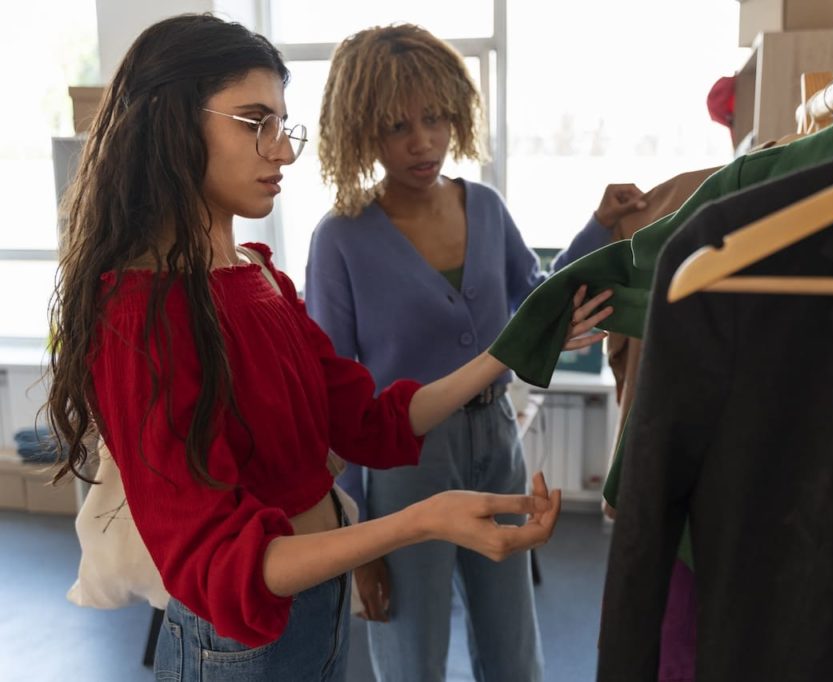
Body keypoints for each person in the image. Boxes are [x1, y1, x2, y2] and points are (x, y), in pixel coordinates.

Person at [45, 14, 612, 682]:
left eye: (283, 125)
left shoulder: (259, 276)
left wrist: (504, 353)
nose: (283, 152)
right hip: (242, 645)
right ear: (171, 125)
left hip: (318, 605)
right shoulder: (140, 315)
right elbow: (220, 562)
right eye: (255, 122)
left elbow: (368, 421)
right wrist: (418, 521)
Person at [307, 23, 647, 682]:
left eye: (434, 118)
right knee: (413, 655)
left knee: (513, 646)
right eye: (397, 126)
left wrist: (598, 226)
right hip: (404, 462)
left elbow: (539, 300)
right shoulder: (340, 239)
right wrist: (355, 542)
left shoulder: (485, 208)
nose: (422, 141)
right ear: (360, 131)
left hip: (497, 438)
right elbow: (333, 407)